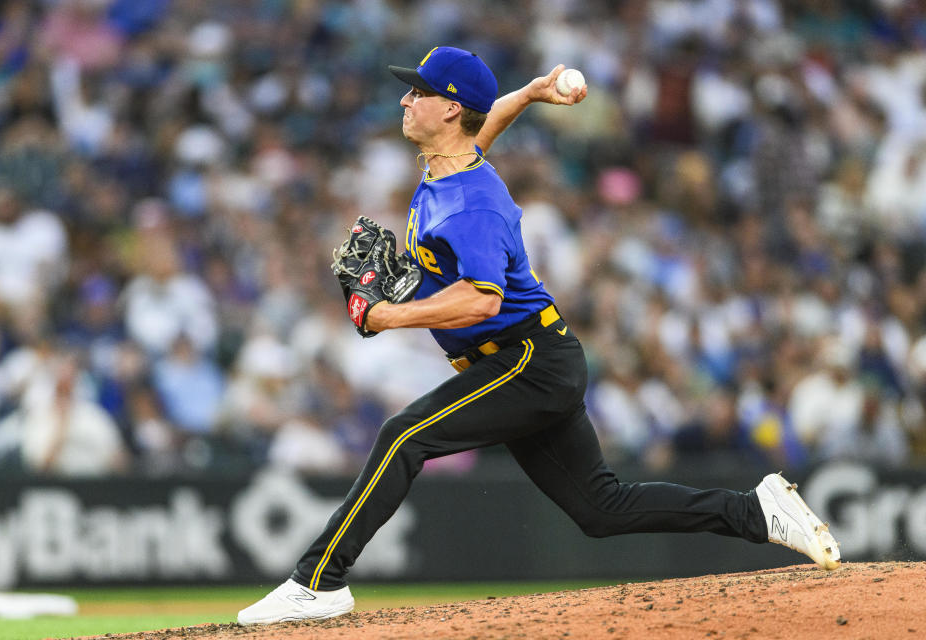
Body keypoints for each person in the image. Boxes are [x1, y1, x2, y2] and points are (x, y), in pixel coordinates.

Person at [237, 46, 840, 624]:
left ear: (449, 108)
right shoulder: (452, 164)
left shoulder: (471, 205)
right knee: (602, 509)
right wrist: (525, 95)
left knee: (402, 437)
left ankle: (318, 583)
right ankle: (757, 511)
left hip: (526, 359)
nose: (405, 101)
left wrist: (386, 317)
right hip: (533, 359)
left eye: (416, 92)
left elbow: (481, 299)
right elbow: (482, 130)